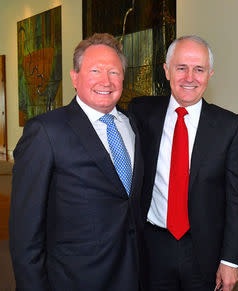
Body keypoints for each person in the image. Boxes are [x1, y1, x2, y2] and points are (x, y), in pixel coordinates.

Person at [9, 33, 144, 290]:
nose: (106, 81)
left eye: (114, 72)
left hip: (132, 273)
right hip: (74, 279)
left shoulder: (132, 124)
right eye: (95, 70)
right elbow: (24, 231)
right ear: (74, 77)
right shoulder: (46, 132)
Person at [128, 35, 238, 291]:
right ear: (167, 70)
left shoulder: (230, 127)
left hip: (205, 252)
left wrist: (231, 259)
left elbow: (237, 198)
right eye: (181, 67)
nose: (189, 77)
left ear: (210, 74)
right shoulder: (141, 112)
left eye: (199, 69)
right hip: (152, 246)